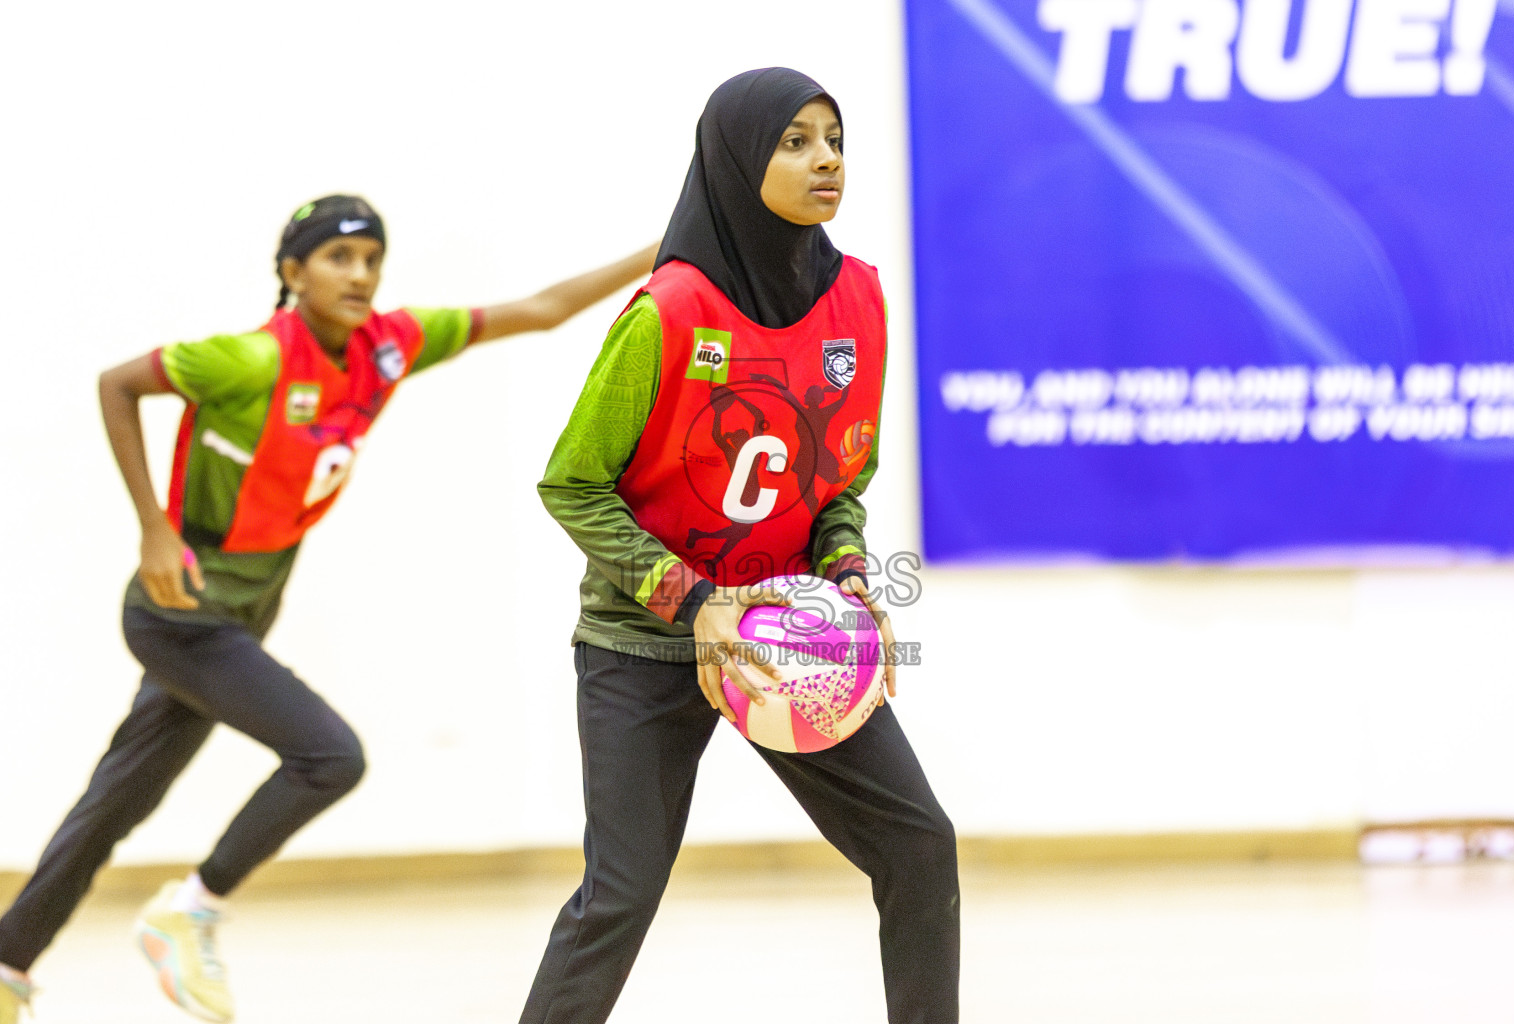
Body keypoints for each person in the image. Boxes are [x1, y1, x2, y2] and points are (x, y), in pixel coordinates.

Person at [0, 195, 658, 1024]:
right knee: (329, 756)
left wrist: (660, 249)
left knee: (115, 801)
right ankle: (191, 912)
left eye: (372, 260)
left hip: (240, 618)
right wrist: (154, 530)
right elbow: (117, 383)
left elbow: (542, 311)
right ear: (292, 273)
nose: (360, 275)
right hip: (180, 613)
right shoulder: (246, 360)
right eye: (338, 259)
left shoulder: (388, 347)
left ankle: (6, 965)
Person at [526, 69, 961, 1024]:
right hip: (645, 641)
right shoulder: (668, 312)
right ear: (734, 161)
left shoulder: (862, 303)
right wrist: (695, 601)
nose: (826, 160)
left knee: (921, 846)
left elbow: (842, 480)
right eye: (795, 141)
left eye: (833, 138)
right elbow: (571, 484)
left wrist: (848, 581)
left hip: (785, 638)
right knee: (623, 894)